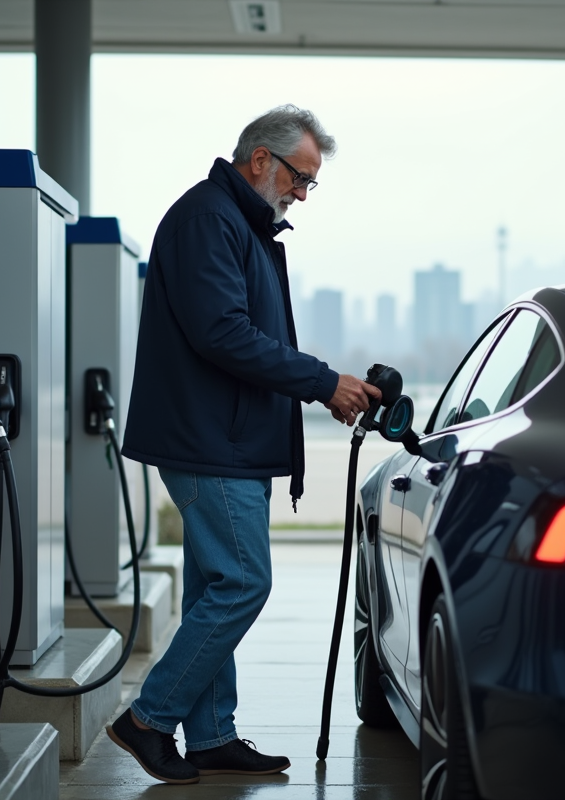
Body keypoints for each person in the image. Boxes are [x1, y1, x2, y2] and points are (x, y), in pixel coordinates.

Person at [108, 105, 380, 784]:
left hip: (225, 437)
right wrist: (322, 383)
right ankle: (148, 719)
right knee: (243, 583)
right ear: (261, 158)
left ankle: (210, 735)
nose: (303, 194)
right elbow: (222, 334)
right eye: (301, 177)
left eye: (311, 183)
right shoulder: (210, 219)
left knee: (212, 587)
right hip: (208, 441)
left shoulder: (241, 223)